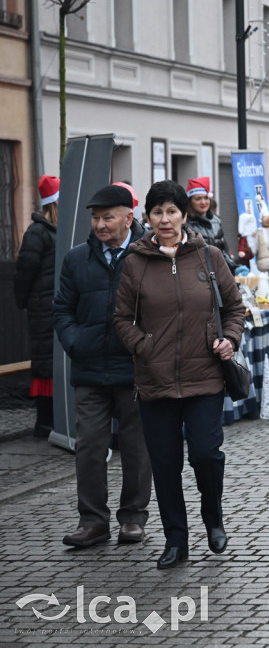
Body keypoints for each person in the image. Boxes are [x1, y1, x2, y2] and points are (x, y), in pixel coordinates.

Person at [113, 180, 245, 569]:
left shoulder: (209, 256)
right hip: (155, 380)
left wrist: (230, 340)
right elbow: (121, 318)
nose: (165, 219)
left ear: (185, 216)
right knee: (165, 463)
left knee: (206, 454)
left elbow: (235, 308)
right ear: (148, 217)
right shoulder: (135, 262)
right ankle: (175, 539)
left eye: (172, 211)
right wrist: (143, 345)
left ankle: (213, 517)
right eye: (157, 212)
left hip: (204, 375)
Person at [53, 184, 152, 548]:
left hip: (136, 368)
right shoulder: (77, 258)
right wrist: (75, 343)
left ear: (128, 217)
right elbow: (62, 309)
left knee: (137, 447)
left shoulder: (149, 254)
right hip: (90, 368)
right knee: (90, 448)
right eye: (95, 218)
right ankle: (93, 521)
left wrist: (147, 347)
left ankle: (133, 518)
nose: (100, 225)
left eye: (108, 217)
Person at [14, 175, 59, 438]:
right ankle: (45, 421)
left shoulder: (55, 230)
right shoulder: (38, 232)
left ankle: (54, 419)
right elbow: (24, 273)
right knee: (46, 363)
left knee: (54, 362)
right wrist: (24, 302)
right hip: (44, 309)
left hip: (54, 307)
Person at [184, 177, 237, 272]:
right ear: (190, 201)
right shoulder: (185, 223)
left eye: (206, 198)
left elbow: (223, 252)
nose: (203, 202)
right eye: (198, 199)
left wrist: (235, 268)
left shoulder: (216, 221)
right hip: (197, 273)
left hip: (218, 273)